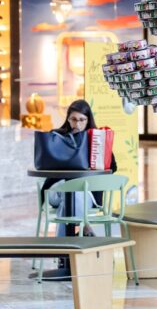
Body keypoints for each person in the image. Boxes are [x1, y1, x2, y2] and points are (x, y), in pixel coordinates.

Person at [42, 100, 117, 237]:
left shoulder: (97, 139)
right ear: (68, 119)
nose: (77, 124)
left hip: (84, 193)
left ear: (88, 120)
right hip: (56, 190)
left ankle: (63, 253)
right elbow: (45, 164)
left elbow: (112, 167)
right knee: (70, 192)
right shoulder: (57, 136)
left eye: (82, 120)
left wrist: (95, 161)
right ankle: (86, 227)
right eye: (73, 119)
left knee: (71, 197)